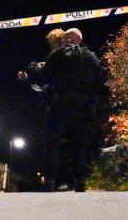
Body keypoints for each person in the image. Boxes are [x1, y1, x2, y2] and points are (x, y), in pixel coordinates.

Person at [41, 28, 103, 192]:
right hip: (83, 105)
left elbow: (44, 76)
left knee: (53, 143)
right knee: (80, 143)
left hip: (59, 103)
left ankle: (49, 181)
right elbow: (100, 80)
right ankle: (80, 181)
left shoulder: (57, 54)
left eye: (67, 36)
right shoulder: (91, 56)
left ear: (70, 38)